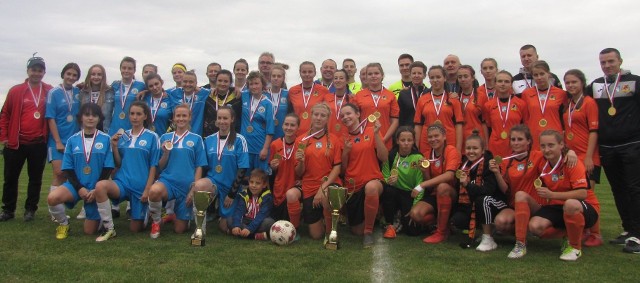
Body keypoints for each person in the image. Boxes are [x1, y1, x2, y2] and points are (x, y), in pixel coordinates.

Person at [508, 130, 599, 261]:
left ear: (561, 145)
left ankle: (574, 247)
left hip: (583, 207)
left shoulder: (572, 162)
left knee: (570, 203)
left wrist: (552, 194)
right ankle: (520, 244)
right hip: (557, 206)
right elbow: (521, 155)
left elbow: (582, 194)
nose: (547, 149)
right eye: (543, 146)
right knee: (533, 224)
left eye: (551, 145)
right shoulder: (541, 160)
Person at [586, 48, 640, 252]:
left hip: (632, 144)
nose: (607, 65)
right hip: (607, 146)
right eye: (603, 62)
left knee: (635, 188)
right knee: (618, 189)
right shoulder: (596, 85)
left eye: (611, 61)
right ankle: (628, 229)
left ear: (620, 61)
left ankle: (638, 234)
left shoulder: (635, 81)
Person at [92, 101, 160, 241]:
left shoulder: (152, 137)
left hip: (140, 187)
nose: (135, 117)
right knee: (100, 186)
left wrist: (147, 189)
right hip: (122, 183)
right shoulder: (123, 136)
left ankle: (149, 213)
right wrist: (115, 147)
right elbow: (118, 163)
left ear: (145, 116)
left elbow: (154, 166)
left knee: (136, 229)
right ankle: (108, 227)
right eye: (132, 114)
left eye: (138, 114)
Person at [47, 103, 114, 238]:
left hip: (95, 188)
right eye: (87, 115)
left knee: (89, 231)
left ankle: (99, 216)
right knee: (52, 198)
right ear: (81, 118)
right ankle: (63, 224)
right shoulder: (73, 140)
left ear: (99, 119)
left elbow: (108, 168)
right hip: (76, 185)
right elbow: (68, 168)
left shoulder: (106, 139)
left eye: (94, 115)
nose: (90, 118)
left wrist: (96, 189)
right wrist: (79, 188)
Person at [0, 55, 53, 221]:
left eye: (40, 70)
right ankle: (8, 210)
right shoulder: (16, 90)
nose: (36, 73)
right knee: (10, 179)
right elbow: (5, 115)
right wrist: (4, 137)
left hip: (38, 143)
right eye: (33, 70)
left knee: (35, 179)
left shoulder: (49, 90)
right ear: (28, 70)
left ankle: (30, 210)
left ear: (44, 72)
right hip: (16, 143)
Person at [148, 104, 207, 238]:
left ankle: (175, 216)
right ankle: (156, 222)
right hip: (168, 181)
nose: (181, 119)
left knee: (179, 230)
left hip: (186, 185)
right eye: (178, 116)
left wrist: (194, 188)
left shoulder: (196, 139)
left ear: (190, 117)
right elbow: (160, 166)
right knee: (154, 191)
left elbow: (199, 165)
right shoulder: (164, 138)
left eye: (184, 115)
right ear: (173, 118)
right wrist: (166, 154)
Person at [285, 103, 342, 240]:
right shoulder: (301, 140)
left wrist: (322, 188)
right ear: (311, 116)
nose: (319, 118)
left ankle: (331, 235)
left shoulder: (334, 139)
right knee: (316, 235)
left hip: (328, 184)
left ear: (328, 118)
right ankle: (294, 231)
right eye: (316, 114)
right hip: (309, 185)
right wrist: (302, 161)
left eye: (323, 115)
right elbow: (299, 172)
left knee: (325, 196)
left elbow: (337, 167)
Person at [193, 106, 249, 232]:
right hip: (214, 181)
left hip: (230, 186)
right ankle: (199, 230)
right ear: (216, 120)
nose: (222, 121)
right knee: (200, 186)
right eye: (219, 118)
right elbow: (204, 166)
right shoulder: (208, 140)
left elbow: (243, 168)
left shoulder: (240, 140)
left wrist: (232, 194)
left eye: (225, 118)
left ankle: (225, 217)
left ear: (232, 119)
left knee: (225, 227)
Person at [338, 103, 387, 247]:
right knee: (356, 231)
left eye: (349, 114)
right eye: (342, 116)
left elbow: (384, 158)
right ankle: (375, 215)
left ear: (358, 114)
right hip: (353, 186)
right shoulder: (343, 138)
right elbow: (342, 170)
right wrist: (346, 152)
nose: (345, 117)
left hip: (373, 180)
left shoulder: (372, 131)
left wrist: (377, 135)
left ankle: (368, 232)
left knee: (371, 188)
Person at [563, 69, 602, 247]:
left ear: (582, 83)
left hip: (587, 156)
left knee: (588, 196)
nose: (571, 85)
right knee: (578, 195)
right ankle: (585, 230)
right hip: (573, 157)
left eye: (574, 82)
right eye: (568, 83)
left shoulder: (589, 103)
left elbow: (594, 131)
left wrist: (589, 157)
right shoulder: (569, 104)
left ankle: (596, 233)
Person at [409, 124, 461, 243]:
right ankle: (442, 224)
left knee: (442, 187)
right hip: (434, 194)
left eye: (436, 136)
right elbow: (431, 184)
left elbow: (449, 176)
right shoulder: (427, 155)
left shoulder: (451, 150)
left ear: (444, 136)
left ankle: (441, 232)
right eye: (430, 137)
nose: (433, 139)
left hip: (452, 194)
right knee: (415, 214)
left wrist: (422, 185)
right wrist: (425, 172)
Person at [450, 131, 497, 247]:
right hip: (470, 206)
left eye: (475, 148)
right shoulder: (464, 165)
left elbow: (489, 190)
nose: (471, 151)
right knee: (457, 220)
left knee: (482, 200)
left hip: (491, 204)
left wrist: (468, 185)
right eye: (468, 148)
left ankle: (488, 236)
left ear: (483, 150)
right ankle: (478, 230)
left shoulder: (488, 164)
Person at [45, 63, 81, 214]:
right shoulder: (54, 93)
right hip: (57, 140)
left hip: (74, 141)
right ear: (63, 74)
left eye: (74, 75)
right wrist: (58, 141)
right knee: (59, 173)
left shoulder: (78, 92)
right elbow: (50, 118)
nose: (71, 77)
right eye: (69, 74)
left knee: (70, 173)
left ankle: (63, 204)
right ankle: (54, 209)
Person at [381, 126, 425, 238]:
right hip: (394, 192)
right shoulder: (391, 155)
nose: (406, 143)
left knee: (412, 232)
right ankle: (389, 223)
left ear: (414, 141)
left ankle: (402, 217)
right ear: (397, 141)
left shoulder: (418, 158)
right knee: (388, 190)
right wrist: (388, 180)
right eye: (402, 140)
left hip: (410, 194)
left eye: (409, 140)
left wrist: (415, 205)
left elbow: (420, 184)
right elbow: (384, 175)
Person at [414, 65, 464, 155]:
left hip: (448, 140)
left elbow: (458, 125)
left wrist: (458, 149)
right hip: (428, 141)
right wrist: (416, 147)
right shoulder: (422, 100)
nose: (435, 80)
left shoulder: (453, 99)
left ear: (444, 78)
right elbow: (418, 125)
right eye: (432, 78)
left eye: (438, 77)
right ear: (429, 80)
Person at [521, 60, 568, 150]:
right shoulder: (526, 94)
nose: (539, 77)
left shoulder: (561, 93)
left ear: (548, 74)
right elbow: (526, 119)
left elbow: (565, 117)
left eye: (542, 74)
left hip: (554, 136)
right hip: (534, 136)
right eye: (536, 75)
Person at [353, 63, 399, 149]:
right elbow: (355, 120)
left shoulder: (390, 95)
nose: (373, 76)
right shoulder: (359, 95)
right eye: (370, 74)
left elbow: (395, 121)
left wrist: (384, 139)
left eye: (376, 73)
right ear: (366, 77)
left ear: (382, 75)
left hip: (385, 140)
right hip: (365, 140)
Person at [482, 71, 528, 158]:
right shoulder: (488, 105)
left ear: (511, 84)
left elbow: (525, 125)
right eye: (500, 81)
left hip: (515, 145)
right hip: (495, 146)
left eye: (506, 81)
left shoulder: (521, 104)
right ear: (495, 84)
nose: (503, 84)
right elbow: (488, 127)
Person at [241, 71, 274, 173]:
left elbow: (270, 130)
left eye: (256, 83)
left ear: (262, 85)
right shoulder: (244, 96)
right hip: (245, 146)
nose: (254, 86)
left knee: (260, 177)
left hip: (259, 146)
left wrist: (265, 148)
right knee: (244, 177)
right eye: (251, 84)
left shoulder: (268, 103)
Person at [269, 114, 300, 221]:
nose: (289, 128)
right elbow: (273, 169)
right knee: (275, 221)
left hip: (294, 185)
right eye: (286, 124)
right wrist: (273, 167)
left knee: (288, 220)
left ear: (298, 128)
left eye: (292, 125)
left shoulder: (301, 145)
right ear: (282, 126)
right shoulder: (275, 144)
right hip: (279, 186)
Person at [229, 169, 275, 240]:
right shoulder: (244, 194)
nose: (254, 185)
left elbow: (262, 215)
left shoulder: (267, 197)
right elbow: (239, 211)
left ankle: (246, 234)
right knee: (229, 219)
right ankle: (255, 236)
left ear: (264, 185)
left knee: (269, 222)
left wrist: (250, 229)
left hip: (259, 222)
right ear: (248, 182)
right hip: (246, 220)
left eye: (258, 183)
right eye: (251, 182)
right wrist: (236, 226)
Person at [287, 61, 329, 136]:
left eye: (310, 72)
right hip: (296, 133)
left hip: (316, 133)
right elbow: (289, 112)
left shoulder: (323, 91)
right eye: (304, 72)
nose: (307, 74)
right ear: (300, 73)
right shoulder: (292, 91)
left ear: (315, 73)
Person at [109, 57, 146, 138]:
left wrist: (146, 91)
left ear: (134, 70)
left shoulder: (141, 85)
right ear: (120, 69)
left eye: (129, 68)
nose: (126, 71)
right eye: (124, 68)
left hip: (131, 126)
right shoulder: (115, 85)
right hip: (115, 126)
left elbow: (154, 90)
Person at [203, 69, 241, 137]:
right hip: (210, 136)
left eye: (226, 81)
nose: (222, 84)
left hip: (231, 137)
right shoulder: (208, 97)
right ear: (216, 81)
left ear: (230, 83)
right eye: (220, 81)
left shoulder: (237, 98)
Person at [170, 71, 208, 136]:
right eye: (185, 81)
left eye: (191, 82)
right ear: (181, 82)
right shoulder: (173, 94)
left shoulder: (203, 94)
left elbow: (215, 90)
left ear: (196, 83)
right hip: (177, 135)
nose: (187, 84)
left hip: (196, 135)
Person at [78, 64, 114, 133]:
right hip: (85, 131)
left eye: (99, 74)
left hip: (104, 131)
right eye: (93, 74)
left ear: (103, 76)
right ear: (89, 76)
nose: (96, 77)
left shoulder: (110, 92)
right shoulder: (83, 92)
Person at [457, 65, 488, 142]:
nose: (462, 79)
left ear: (472, 78)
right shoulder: (455, 97)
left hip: (476, 138)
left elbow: (484, 122)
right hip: (460, 138)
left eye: (466, 76)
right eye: (460, 77)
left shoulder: (481, 96)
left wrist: (486, 145)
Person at [398, 61, 429, 127]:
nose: (416, 76)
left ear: (424, 75)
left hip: (426, 130)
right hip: (408, 132)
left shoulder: (429, 92)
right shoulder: (403, 94)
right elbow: (400, 117)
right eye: (414, 73)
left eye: (419, 73)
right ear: (410, 75)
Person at [325, 69, 351, 137]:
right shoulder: (326, 98)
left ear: (347, 81)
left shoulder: (353, 99)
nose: (338, 80)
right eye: (335, 78)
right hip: (329, 137)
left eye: (341, 78)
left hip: (347, 137)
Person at [269, 65, 289, 139]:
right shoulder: (263, 94)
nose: (276, 78)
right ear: (270, 78)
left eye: (279, 76)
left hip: (283, 133)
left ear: (283, 78)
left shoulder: (288, 94)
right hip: (266, 133)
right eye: (273, 76)